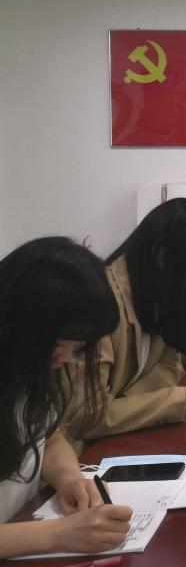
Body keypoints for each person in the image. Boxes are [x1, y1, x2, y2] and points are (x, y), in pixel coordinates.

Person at [0, 237, 134, 558]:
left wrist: (70, 478)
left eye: (77, 347)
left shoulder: (21, 371)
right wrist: (56, 535)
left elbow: (47, 436)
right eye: (60, 343)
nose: (65, 358)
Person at [62, 198, 186, 443]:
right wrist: (182, 399)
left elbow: (171, 366)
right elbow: (86, 417)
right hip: (87, 451)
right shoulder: (99, 304)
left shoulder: (161, 295)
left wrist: (125, 404)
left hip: (126, 435)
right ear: (159, 251)